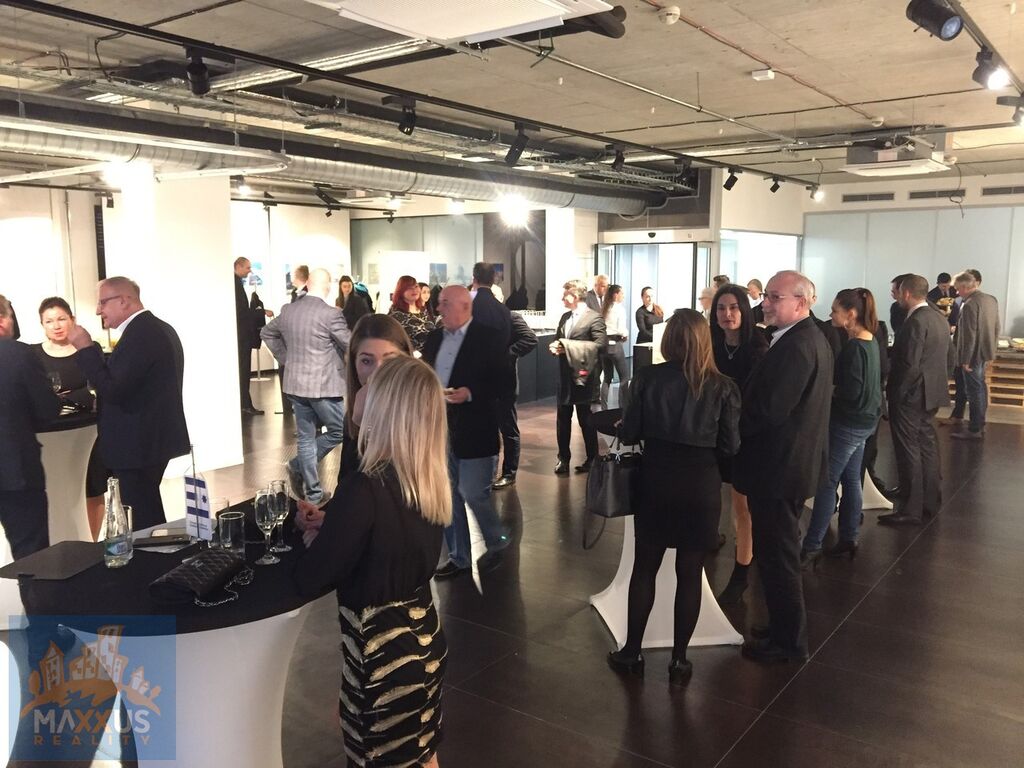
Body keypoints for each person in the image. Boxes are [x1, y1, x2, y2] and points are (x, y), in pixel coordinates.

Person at [293, 356, 450, 768]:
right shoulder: (425, 479)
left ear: (385, 406)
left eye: (371, 384)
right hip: (423, 642)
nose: (360, 387)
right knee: (422, 752)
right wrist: (336, 527)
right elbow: (390, 543)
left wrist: (318, 540)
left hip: (381, 660)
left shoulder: (364, 488)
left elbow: (312, 577)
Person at [607, 309, 740, 685]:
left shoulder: (647, 378)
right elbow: (730, 446)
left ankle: (632, 651)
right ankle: (679, 659)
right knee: (690, 573)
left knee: (644, 569)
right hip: (701, 486)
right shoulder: (724, 387)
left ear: (668, 340)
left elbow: (631, 432)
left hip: (656, 481)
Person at [733, 270, 833, 664]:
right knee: (776, 554)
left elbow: (770, 410)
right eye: (767, 296)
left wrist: (731, 427)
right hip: (785, 465)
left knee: (779, 557)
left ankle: (789, 643)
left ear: (801, 303)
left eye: (775, 297)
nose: (766, 303)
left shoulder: (798, 345)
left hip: (779, 468)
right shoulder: (802, 338)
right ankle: (780, 627)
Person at [68, 277, 190, 531]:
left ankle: (150, 556)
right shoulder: (155, 329)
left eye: (103, 302)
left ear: (124, 300)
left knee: (142, 518)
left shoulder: (142, 334)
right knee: (145, 511)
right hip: (148, 441)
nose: (98, 310)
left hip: (139, 444)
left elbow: (114, 389)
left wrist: (85, 349)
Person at [423, 286, 510, 578]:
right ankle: (459, 557)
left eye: (445, 303)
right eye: (439, 303)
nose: (439, 308)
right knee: (448, 496)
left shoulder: (489, 338)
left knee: (473, 492)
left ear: (464, 306)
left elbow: (503, 384)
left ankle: (496, 541)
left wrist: (469, 393)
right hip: (439, 427)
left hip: (475, 428)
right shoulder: (434, 338)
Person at [801, 289, 882, 566]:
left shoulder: (855, 347)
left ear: (851, 314)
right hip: (864, 422)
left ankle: (812, 545)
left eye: (835, 310)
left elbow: (852, 390)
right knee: (851, 479)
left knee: (826, 482)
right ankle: (849, 536)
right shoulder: (870, 341)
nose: (831, 314)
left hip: (848, 423)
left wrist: (831, 391)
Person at [261, 268, 350, 506]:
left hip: (296, 384)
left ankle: (313, 493)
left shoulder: (289, 310)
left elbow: (267, 332)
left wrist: (285, 359)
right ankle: (298, 467)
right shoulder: (331, 314)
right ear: (328, 286)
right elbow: (349, 343)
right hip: (324, 386)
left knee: (306, 438)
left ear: (308, 284)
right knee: (339, 431)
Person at [709, 284, 768, 605]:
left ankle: (741, 573)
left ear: (744, 310)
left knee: (742, 505)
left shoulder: (757, 345)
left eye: (733, 307)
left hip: (744, 434)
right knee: (711, 494)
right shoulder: (711, 342)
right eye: (721, 308)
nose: (727, 314)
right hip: (713, 432)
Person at [32, 297, 108, 540]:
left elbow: (99, 386)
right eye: (49, 321)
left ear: (72, 319)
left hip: (87, 432)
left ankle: (91, 542)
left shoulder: (88, 350)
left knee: (93, 486)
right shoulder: (33, 354)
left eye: (61, 319)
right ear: (42, 324)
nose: (56, 326)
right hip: (49, 435)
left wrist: (71, 396)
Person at [880, 274, 950, 527]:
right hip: (931, 391)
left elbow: (909, 364)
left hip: (911, 395)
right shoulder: (938, 317)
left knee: (908, 449)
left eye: (896, 292)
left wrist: (895, 395)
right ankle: (928, 500)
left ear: (906, 293)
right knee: (927, 447)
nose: (895, 297)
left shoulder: (915, 321)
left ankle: (910, 508)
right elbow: (948, 357)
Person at [0, 294, 59, 559]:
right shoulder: (20, 354)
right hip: (15, 471)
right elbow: (47, 410)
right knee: (32, 555)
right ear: (3, 320)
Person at [470, 262, 538, 490]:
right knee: (488, 427)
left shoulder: (509, 317)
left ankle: (509, 472)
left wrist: (507, 354)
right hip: (487, 381)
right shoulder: (489, 315)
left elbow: (530, 339)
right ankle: (490, 471)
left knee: (507, 428)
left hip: (503, 382)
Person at [336, 315, 414, 485]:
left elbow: (395, 487)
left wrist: (367, 426)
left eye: (390, 360)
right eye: (366, 361)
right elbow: (345, 481)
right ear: (354, 365)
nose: (378, 371)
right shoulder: (355, 413)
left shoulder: (417, 416)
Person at [552, 279, 606, 475]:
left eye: (565, 294)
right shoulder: (565, 317)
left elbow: (600, 345)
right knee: (562, 419)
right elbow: (559, 339)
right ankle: (563, 459)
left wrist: (567, 346)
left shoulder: (594, 318)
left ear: (575, 296)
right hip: (564, 377)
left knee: (586, 419)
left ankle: (592, 458)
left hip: (584, 377)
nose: (562, 298)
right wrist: (556, 345)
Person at [950, 270, 1000, 440]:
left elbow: (969, 334)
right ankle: (980, 424)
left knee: (973, 391)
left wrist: (966, 359)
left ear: (965, 287)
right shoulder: (991, 300)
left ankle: (974, 429)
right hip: (985, 351)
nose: (957, 292)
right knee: (980, 388)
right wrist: (992, 351)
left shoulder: (970, 304)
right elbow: (997, 327)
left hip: (973, 355)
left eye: (958, 288)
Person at [234, 257, 274, 416]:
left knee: (243, 371)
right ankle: (245, 404)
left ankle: (245, 403)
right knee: (243, 371)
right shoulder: (235, 285)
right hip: (241, 337)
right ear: (238, 266)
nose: (249, 271)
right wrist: (261, 312)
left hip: (241, 336)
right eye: (247, 268)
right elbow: (242, 312)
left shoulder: (236, 283)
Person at [599, 284, 630, 409]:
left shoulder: (604, 308)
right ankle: (623, 407)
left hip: (604, 345)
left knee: (607, 377)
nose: (623, 296)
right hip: (615, 344)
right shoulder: (619, 309)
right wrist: (625, 335)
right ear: (615, 294)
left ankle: (604, 407)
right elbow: (621, 329)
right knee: (624, 377)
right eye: (622, 293)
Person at [388, 274, 436, 351]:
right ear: (401, 291)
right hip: (411, 356)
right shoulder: (396, 314)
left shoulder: (423, 310)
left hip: (431, 354)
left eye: (416, 286)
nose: (414, 290)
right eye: (409, 288)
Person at [634, 286, 664, 372]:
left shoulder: (659, 309)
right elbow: (643, 330)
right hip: (644, 344)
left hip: (657, 344)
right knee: (645, 369)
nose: (650, 299)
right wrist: (656, 338)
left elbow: (661, 326)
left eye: (652, 296)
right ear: (642, 297)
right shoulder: (640, 312)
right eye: (647, 296)